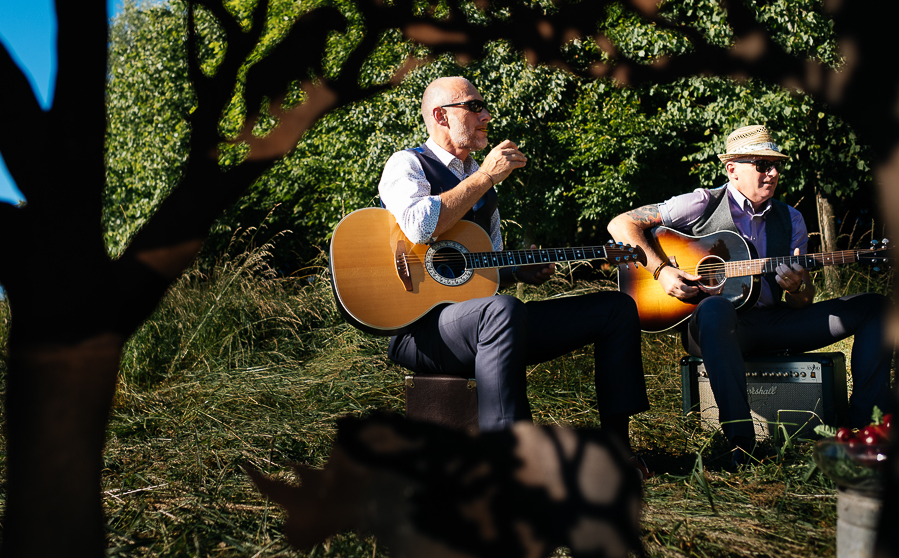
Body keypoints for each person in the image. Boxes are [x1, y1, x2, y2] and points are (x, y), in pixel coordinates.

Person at [379, 76, 650, 467]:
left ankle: (617, 451)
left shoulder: (484, 188)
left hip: (481, 323)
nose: (486, 115)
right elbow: (420, 226)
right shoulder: (408, 164)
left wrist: (520, 272)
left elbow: (486, 271)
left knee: (616, 309)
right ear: (440, 115)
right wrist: (485, 176)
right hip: (420, 332)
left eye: (483, 107)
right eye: (473, 107)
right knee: (503, 311)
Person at [607, 124, 891, 468]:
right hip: (713, 328)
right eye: (761, 164)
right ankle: (740, 445)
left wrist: (798, 288)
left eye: (775, 166)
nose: (771, 173)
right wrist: (662, 271)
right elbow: (621, 224)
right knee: (715, 309)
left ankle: (865, 431)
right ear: (732, 170)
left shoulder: (792, 218)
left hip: (772, 323)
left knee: (877, 307)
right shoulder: (701, 203)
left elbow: (801, 303)